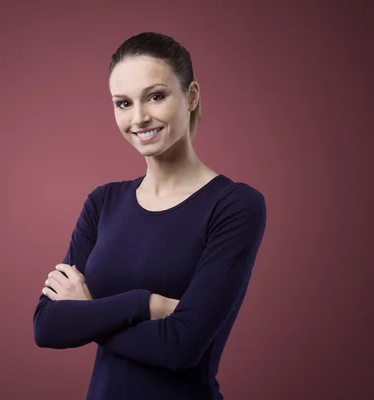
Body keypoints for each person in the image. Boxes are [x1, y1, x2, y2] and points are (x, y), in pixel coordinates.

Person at [32, 32, 267, 400]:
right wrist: (145, 304)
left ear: (190, 97)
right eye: (123, 103)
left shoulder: (234, 205)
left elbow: (181, 348)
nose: (139, 118)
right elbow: (47, 327)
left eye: (155, 96)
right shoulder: (103, 202)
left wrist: (88, 312)